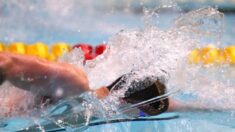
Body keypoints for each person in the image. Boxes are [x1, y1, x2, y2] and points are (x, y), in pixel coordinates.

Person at [0, 51, 176, 116]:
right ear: (124, 101)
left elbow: (174, 105)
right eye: (140, 115)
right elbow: (6, 62)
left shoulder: (97, 105)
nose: (137, 117)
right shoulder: (74, 82)